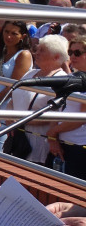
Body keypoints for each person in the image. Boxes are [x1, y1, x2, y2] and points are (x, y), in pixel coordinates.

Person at [11, 34, 69, 165]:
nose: (36, 52)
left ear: (56, 57)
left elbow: (55, 116)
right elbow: (13, 98)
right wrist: (11, 120)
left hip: (37, 143)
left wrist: (20, 121)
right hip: (17, 136)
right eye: (38, 49)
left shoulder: (61, 80)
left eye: (42, 50)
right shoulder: (31, 73)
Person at [0, 20, 33, 150]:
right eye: (6, 32)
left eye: (14, 33)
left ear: (23, 36)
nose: (8, 36)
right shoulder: (1, 52)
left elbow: (13, 87)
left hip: (6, 112)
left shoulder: (23, 55)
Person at [46, 34, 86, 179]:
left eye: (78, 53)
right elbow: (56, 107)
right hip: (60, 144)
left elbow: (81, 118)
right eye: (70, 53)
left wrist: (53, 131)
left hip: (80, 148)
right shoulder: (71, 78)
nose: (72, 56)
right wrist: (53, 138)